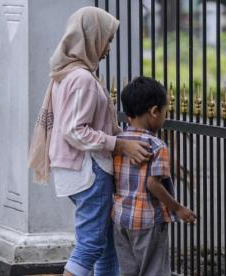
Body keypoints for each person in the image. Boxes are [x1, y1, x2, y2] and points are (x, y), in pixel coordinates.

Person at [28, 7, 152, 276]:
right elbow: (75, 130)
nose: (108, 47)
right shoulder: (82, 79)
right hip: (89, 171)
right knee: (91, 246)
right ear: (91, 36)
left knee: (106, 245)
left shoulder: (68, 74)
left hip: (81, 170)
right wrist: (119, 144)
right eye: (106, 39)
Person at [113, 76, 197, 276]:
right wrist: (178, 208)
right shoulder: (157, 146)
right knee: (153, 271)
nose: (164, 118)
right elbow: (152, 184)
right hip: (148, 221)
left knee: (128, 271)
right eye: (165, 113)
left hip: (120, 219)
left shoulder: (118, 142)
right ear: (154, 112)